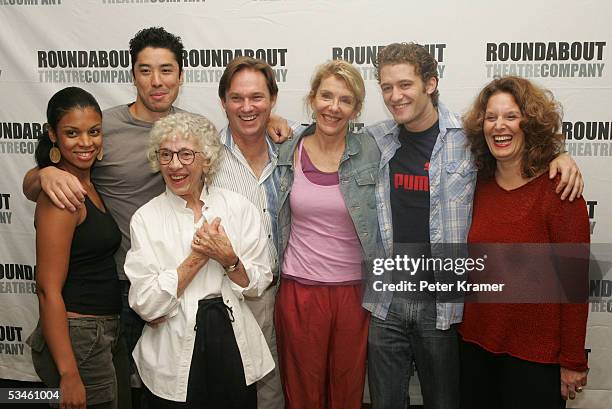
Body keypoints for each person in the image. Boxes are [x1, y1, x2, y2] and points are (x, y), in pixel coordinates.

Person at [361, 42, 585, 409]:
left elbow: (519, 144)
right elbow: (327, 133)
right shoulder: (376, 140)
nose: (394, 96)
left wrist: (561, 155)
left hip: (444, 308)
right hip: (389, 302)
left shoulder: (468, 140)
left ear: (431, 83)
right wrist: (280, 126)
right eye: (387, 87)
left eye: (405, 85)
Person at [124, 112, 274, 408]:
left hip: (231, 342)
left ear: (206, 160)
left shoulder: (238, 208)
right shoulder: (146, 218)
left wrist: (230, 260)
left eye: (186, 154)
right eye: (165, 154)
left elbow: (258, 283)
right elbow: (146, 303)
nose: (174, 164)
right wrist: (197, 258)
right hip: (171, 353)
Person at [458, 76, 589, 409]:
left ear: (530, 122)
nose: (499, 125)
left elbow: (575, 286)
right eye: (491, 117)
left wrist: (573, 360)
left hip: (536, 360)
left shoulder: (560, 190)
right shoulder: (477, 185)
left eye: (511, 116)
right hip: (475, 349)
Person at [274, 60, 380, 409]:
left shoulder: (372, 150)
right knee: (303, 393)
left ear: (356, 109)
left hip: (354, 294)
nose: (334, 107)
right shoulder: (288, 148)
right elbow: (249, 124)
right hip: (300, 291)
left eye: (345, 100)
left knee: (347, 394)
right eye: (326, 96)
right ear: (312, 98)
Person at [26, 87, 125, 409]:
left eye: (93, 132)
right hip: (79, 336)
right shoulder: (61, 197)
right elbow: (47, 288)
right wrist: (68, 373)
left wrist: (44, 172)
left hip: (101, 331)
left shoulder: (86, 182)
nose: (86, 142)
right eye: (72, 133)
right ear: (52, 135)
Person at [211, 56, 291, 409]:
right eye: (236, 98)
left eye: (257, 97)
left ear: (273, 99)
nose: (247, 107)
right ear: (223, 101)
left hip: (285, 294)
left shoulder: (291, 148)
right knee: (228, 392)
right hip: (228, 296)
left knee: (273, 393)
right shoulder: (205, 155)